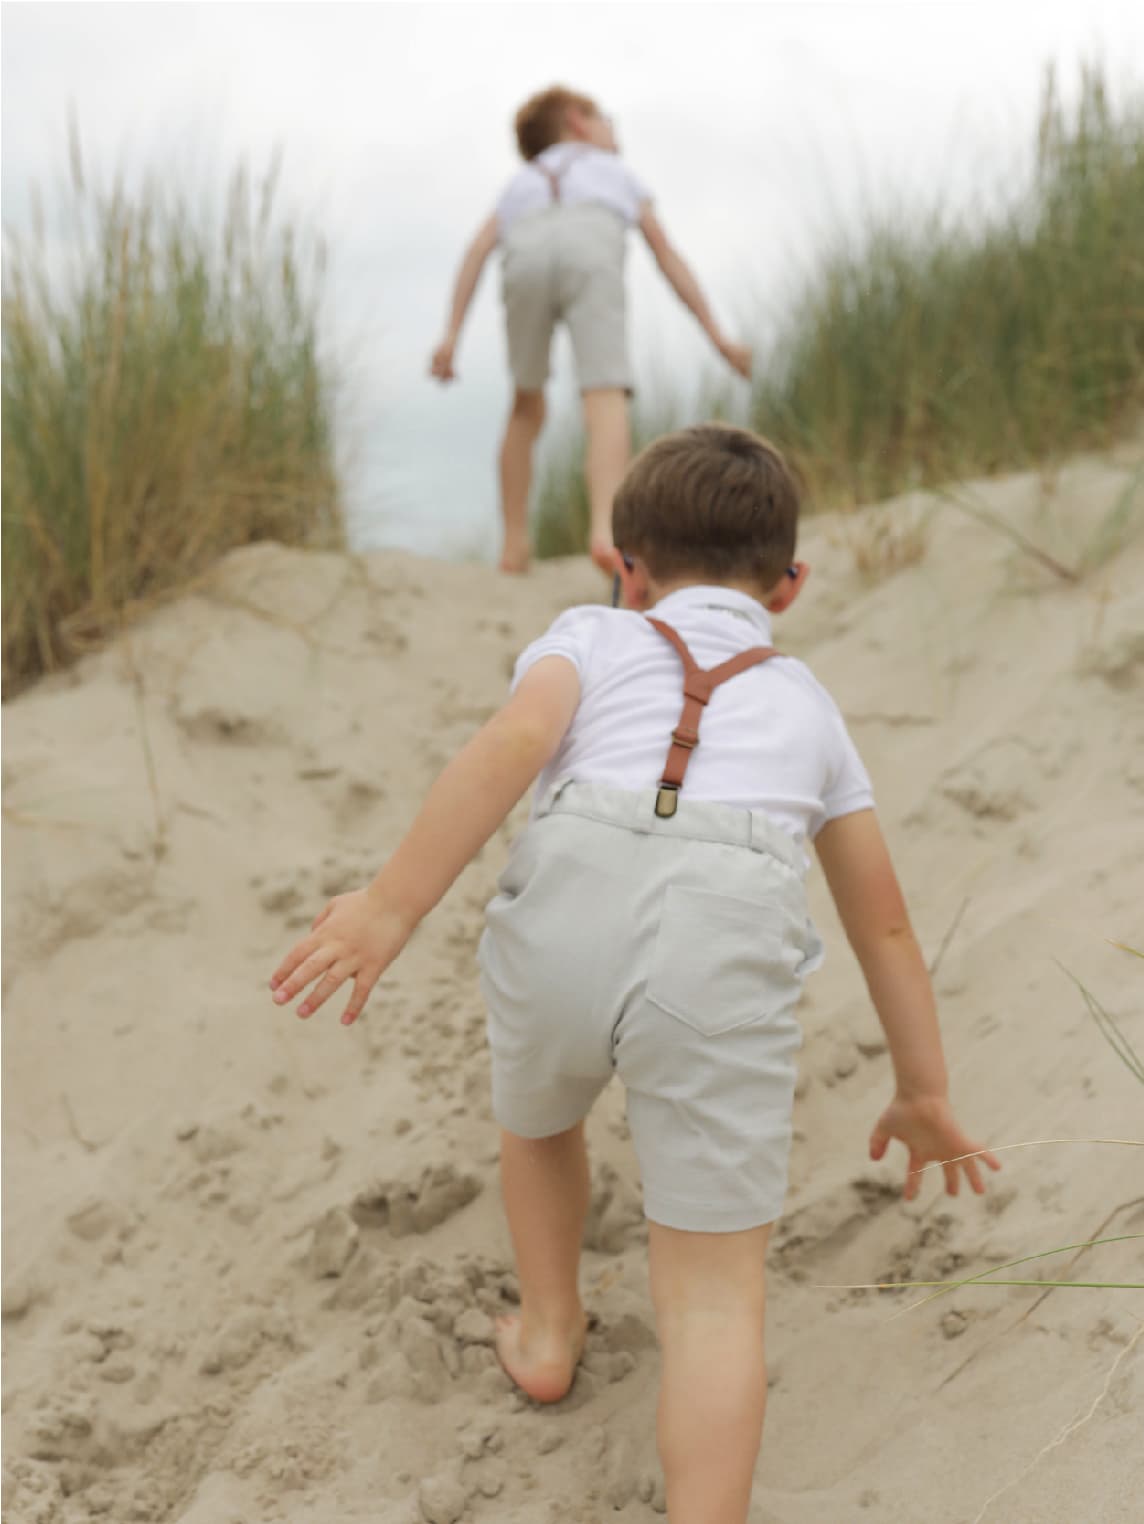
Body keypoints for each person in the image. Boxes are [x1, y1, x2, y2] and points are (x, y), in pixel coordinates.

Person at [269, 424, 1000, 1524]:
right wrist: (923, 1086)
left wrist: (389, 906)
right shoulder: (808, 709)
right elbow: (882, 926)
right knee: (711, 1299)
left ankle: (551, 1330)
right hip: (722, 938)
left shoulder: (590, 638)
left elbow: (514, 746)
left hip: (566, 902)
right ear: (788, 587)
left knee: (542, 1121)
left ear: (628, 571)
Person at [429, 85, 753, 577]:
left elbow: (476, 252)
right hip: (592, 244)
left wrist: (451, 335)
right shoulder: (614, 172)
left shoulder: (523, 181)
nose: (610, 129)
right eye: (604, 119)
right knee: (604, 396)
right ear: (578, 121)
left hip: (525, 255)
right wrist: (718, 335)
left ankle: (514, 544)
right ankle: (604, 530)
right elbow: (667, 255)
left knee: (525, 402)